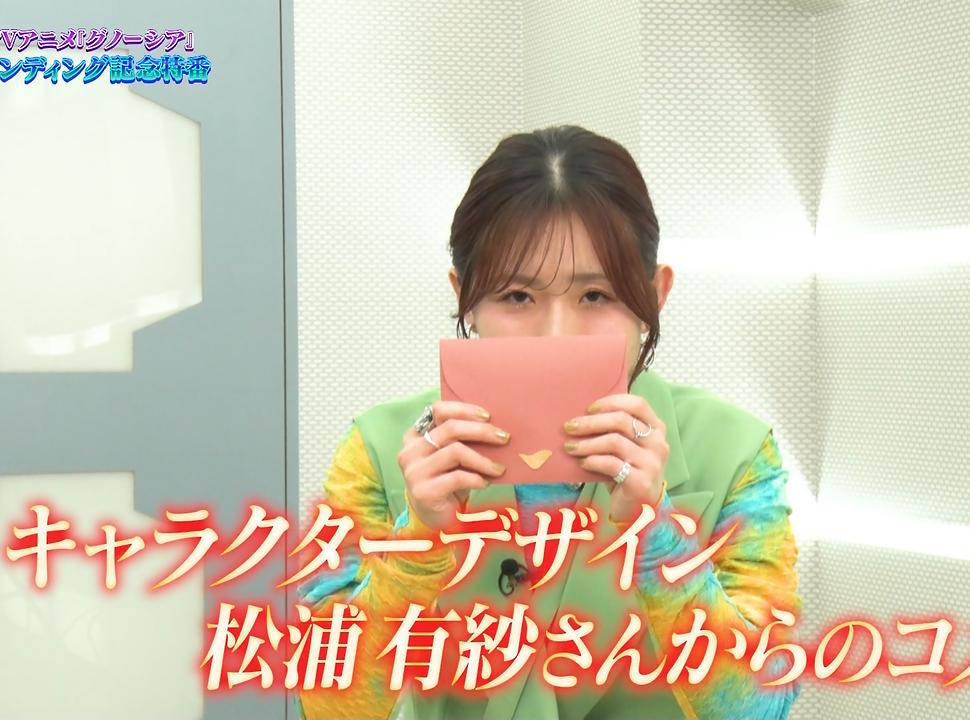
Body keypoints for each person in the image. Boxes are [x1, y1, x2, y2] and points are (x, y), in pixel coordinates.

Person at [297, 125, 802, 720]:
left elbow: (761, 705)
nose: (555, 334)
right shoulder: (380, 450)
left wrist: (656, 535)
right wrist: (419, 541)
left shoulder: (737, 453)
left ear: (654, 295)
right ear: (465, 299)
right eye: (517, 296)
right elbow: (325, 703)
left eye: (595, 296)